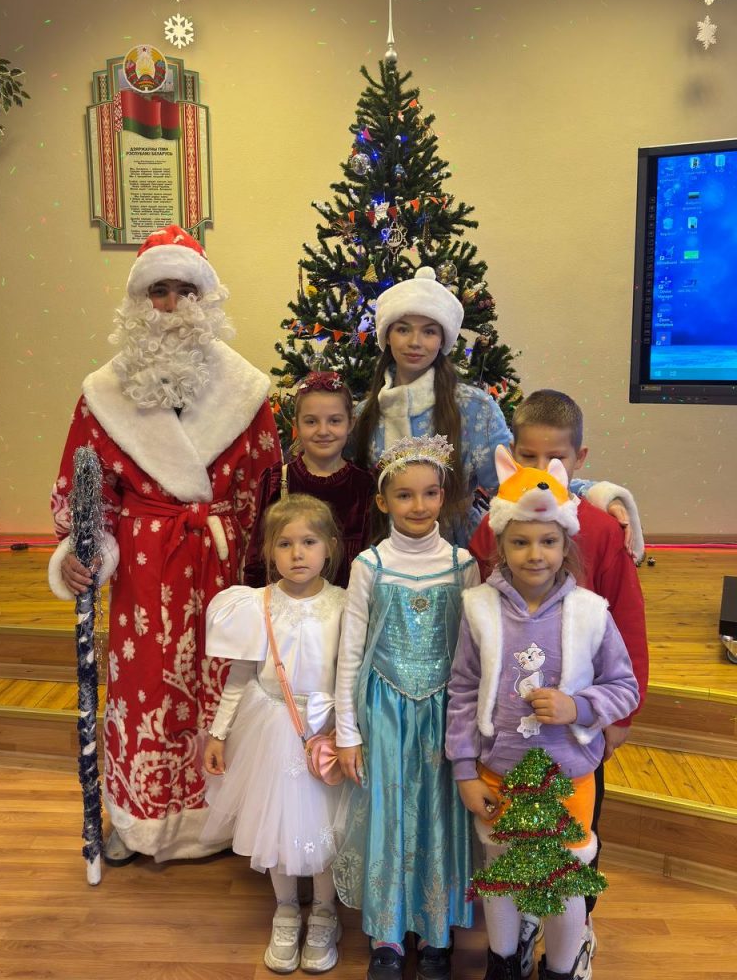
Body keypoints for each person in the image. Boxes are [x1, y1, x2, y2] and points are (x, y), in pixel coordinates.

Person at [48, 224, 280, 864]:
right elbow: (83, 491)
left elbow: (267, 488)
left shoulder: (248, 391)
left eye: (185, 291)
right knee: (144, 686)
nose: (173, 305)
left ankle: (225, 821)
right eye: (159, 291)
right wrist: (80, 554)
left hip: (224, 566)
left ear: (205, 300)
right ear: (139, 302)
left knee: (225, 683)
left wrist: (267, 571)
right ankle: (141, 822)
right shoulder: (102, 394)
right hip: (145, 568)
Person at [468, 389, 648, 977]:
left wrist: (614, 716)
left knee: (573, 845)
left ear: (578, 459)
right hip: (506, 745)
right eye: (527, 456)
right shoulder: (495, 524)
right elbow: (475, 644)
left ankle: (571, 944)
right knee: (510, 849)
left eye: (555, 458)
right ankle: (517, 933)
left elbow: (626, 623)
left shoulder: (599, 530)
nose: (540, 468)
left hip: (576, 735)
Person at [352, 267, 641, 553]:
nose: (415, 342)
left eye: (429, 331)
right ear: (387, 335)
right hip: (382, 555)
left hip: (460, 553)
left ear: (442, 340)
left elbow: (520, 480)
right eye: (403, 329)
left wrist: (598, 494)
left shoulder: (473, 408)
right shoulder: (364, 414)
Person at [334, 435, 481, 980]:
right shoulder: (369, 565)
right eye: (404, 495)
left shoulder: (462, 564)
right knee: (390, 815)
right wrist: (347, 732)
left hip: (445, 712)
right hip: (385, 710)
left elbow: (472, 650)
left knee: (440, 814)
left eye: (430, 493)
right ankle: (389, 936)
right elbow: (351, 651)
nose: (418, 505)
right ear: (383, 501)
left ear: (444, 496)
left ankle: (437, 933)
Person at [202, 494, 346, 974]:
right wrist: (219, 733)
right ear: (269, 550)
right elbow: (241, 675)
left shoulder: (345, 605)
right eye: (284, 544)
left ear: (330, 546)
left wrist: (349, 730)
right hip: (270, 727)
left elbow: (351, 673)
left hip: (325, 730)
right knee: (278, 822)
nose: (297, 553)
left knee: (326, 827)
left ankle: (324, 912)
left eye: (309, 542)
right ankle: (286, 909)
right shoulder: (256, 604)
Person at [244, 371, 375, 588]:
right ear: (296, 424)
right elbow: (257, 558)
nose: (323, 431)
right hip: (285, 603)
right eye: (311, 421)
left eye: (334, 421)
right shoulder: (277, 479)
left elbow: (373, 559)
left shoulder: (364, 484)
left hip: (346, 602)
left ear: (350, 423)